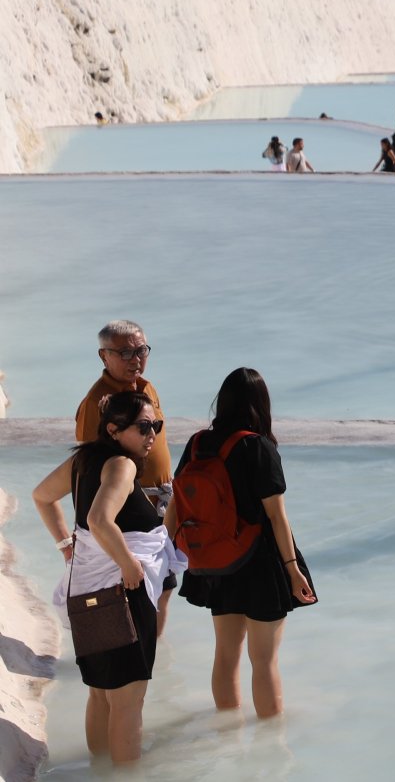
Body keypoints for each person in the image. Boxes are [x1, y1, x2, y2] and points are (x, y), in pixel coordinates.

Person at [33, 391, 183, 764]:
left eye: (157, 426)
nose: (153, 435)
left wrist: (66, 544)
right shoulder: (121, 465)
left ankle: (98, 772)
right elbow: (100, 520)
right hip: (121, 593)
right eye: (144, 427)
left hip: (85, 591)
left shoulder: (83, 459)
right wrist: (130, 564)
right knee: (129, 701)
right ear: (115, 430)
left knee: (101, 693)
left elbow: (41, 496)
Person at [170, 369, 316, 718]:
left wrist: (169, 556)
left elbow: (176, 503)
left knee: (225, 654)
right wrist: (293, 570)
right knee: (263, 660)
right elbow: (277, 517)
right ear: (260, 405)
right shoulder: (257, 446)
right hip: (260, 561)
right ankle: (270, 748)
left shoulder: (197, 444)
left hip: (216, 560)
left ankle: (227, 735)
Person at [74, 321, 175, 630]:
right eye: (126, 352)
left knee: (164, 589)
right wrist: (77, 536)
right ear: (104, 356)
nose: (136, 359)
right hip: (127, 516)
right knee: (127, 599)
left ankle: (155, 663)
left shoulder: (146, 387)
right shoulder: (98, 402)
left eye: (141, 350)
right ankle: (128, 663)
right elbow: (85, 467)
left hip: (161, 507)